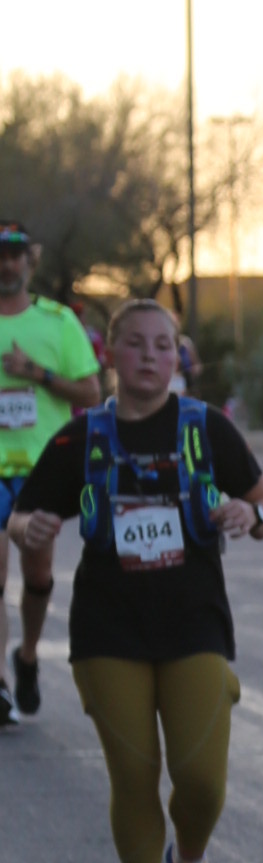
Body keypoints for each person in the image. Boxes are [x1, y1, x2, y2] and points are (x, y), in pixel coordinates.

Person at [6, 291, 263, 863]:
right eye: (136, 344)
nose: (151, 357)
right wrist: (26, 527)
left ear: (177, 358)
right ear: (112, 355)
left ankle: (191, 859)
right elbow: (22, 514)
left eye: (164, 346)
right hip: (108, 631)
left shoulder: (206, 429)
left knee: (201, 779)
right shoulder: (81, 437)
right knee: (132, 777)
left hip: (194, 625)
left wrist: (251, 516)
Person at [0, 222, 105, 726]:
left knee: (37, 576)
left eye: (14, 254)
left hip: (42, 471)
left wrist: (36, 373)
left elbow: (91, 393)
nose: (6, 264)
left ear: (30, 260)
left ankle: (26, 656)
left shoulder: (58, 322)